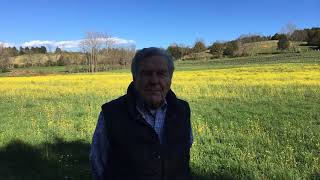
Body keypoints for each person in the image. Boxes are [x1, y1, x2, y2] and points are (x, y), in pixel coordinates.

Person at [90, 47, 193, 180]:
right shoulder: (111, 114)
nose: (154, 81)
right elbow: (98, 166)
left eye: (161, 73)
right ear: (134, 77)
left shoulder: (182, 110)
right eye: (146, 73)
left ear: (170, 78)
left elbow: (185, 155)